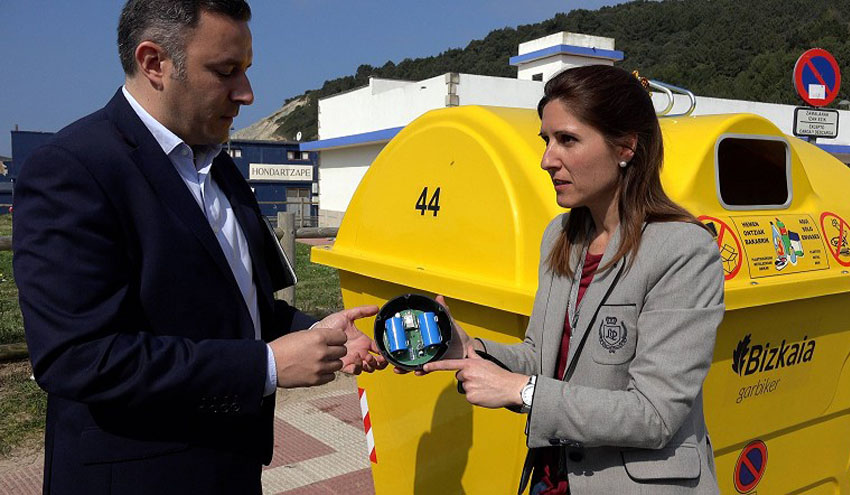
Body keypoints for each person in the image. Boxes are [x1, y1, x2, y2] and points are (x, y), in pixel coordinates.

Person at [12, 1, 385, 494]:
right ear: (154, 62)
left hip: (231, 467)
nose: (247, 93)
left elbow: (236, 306)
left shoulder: (217, 165)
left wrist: (315, 331)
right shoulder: (73, 169)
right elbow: (78, 357)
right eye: (226, 71)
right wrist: (266, 367)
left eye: (246, 70)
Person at [423, 65, 724, 494]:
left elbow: (654, 415)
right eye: (546, 140)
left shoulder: (683, 250)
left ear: (626, 147)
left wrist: (522, 392)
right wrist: (473, 351)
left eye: (567, 140)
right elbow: (542, 359)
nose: (547, 159)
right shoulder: (559, 236)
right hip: (552, 480)